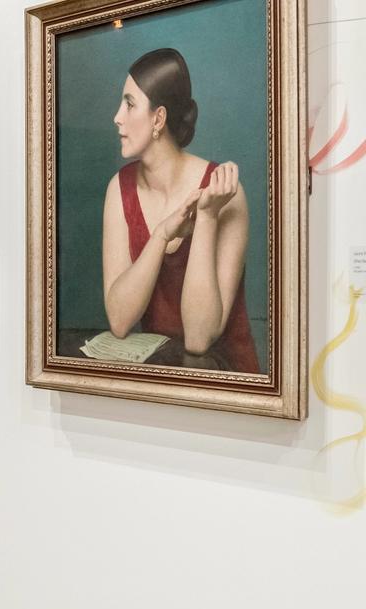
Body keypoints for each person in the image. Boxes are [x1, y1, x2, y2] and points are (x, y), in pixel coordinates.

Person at [102, 48, 259, 372]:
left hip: (232, 387)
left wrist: (206, 217)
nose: (117, 116)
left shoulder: (225, 191)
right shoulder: (120, 188)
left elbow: (198, 339)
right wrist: (160, 235)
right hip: (164, 383)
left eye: (129, 104)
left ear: (158, 118)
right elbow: (119, 321)